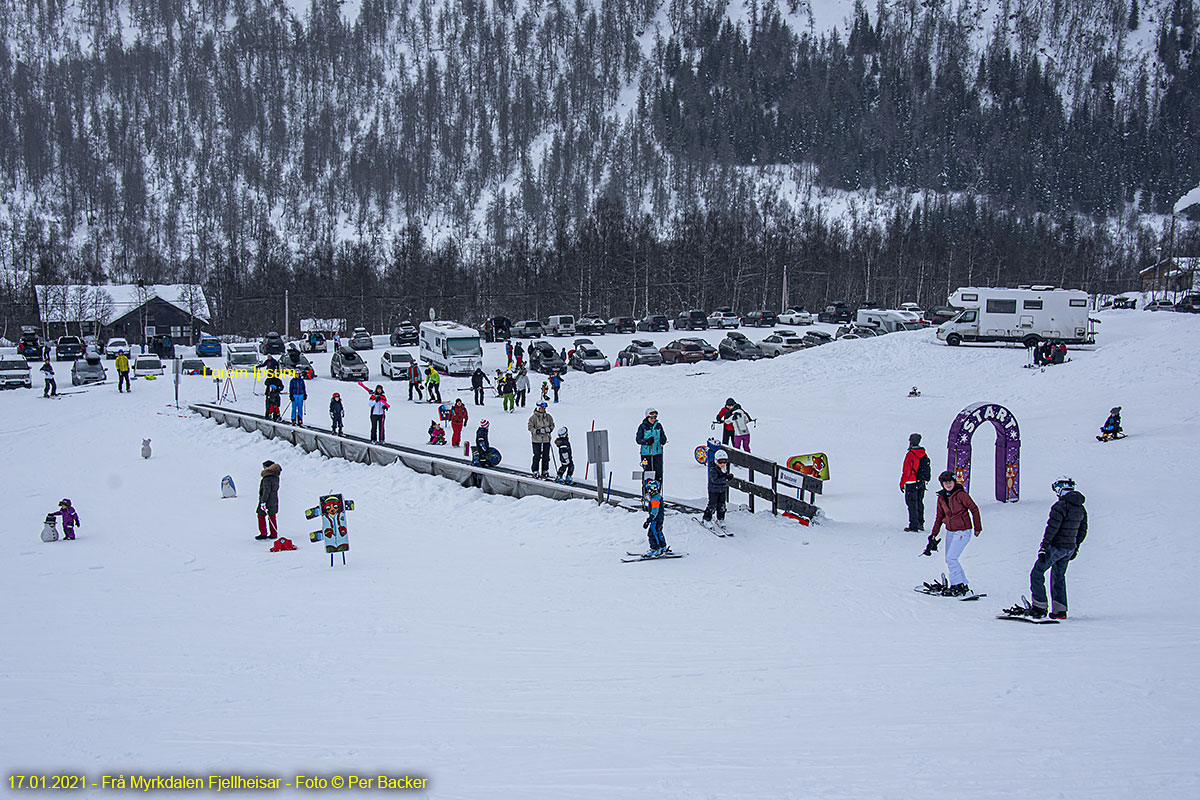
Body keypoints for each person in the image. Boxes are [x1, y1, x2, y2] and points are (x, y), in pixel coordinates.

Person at [1008, 476, 1088, 620]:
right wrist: (1075, 548)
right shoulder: (1081, 508)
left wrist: (1043, 548)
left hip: (1056, 547)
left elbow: (1051, 529)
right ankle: (1060, 611)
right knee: (1058, 577)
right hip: (1068, 549)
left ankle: (1039, 607)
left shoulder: (1060, 506)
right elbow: (1083, 531)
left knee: (1037, 573)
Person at [927, 470, 982, 596]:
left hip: (963, 530)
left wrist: (977, 527)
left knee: (951, 558)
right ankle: (962, 583)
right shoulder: (941, 498)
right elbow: (939, 517)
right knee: (950, 559)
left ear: (954, 481)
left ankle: (957, 585)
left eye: (950, 481)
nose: (948, 484)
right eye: (945, 482)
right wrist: (933, 534)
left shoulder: (961, 494)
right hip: (950, 532)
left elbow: (974, 509)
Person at [900, 433, 930, 532]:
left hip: (911, 482)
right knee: (920, 502)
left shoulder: (911, 454)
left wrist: (902, 483)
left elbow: (907, 471)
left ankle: (913, 525)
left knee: (912, 504)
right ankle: (921, 523)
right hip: (921, 482)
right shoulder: (923, 453)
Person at [635, 408, 668, 482]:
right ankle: (647, 490)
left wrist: (663, 440)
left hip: (657, 453)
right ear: (647, 418)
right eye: (651, 418)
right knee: (648, 472)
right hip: (646, 454)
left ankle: (658, 490)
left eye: (655, 418)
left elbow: (663, 435)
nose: (653, 420)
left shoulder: (658, 426)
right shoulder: (643, 427)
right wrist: (646, 441)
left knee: (658, 473)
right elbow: (638, 440)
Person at [702, 448, 730, 530]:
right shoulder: (713, 469)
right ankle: (707, 518)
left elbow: (724, 476)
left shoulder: (724, 468)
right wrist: (725, 478)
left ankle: (720, 518)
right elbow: (715, 480)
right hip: (713, 490)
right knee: (712, 504)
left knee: (722, 504)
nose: (723, 464)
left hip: (722, 489)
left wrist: (727, 476)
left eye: (724, 462)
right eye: (720, 462)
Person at [528, 402, 555, 478]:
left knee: (546, 456)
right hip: (536, 440)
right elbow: (530, 427)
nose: (543, 410)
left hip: (546, 439)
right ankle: (535, 470)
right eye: (541, 408)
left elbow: (552, 425)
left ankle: (545, 470)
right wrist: (537, 431)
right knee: (537, 455)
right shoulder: (533, 418)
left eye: (544, 408)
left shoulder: (548, 417)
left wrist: (549, 429)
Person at [255, 460, 282, 540]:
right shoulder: (275, 476)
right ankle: (274, 533)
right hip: (274, 499)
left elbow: (266, 491)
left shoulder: (267, 478)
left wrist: (263, 502)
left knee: (261, 515)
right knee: (272, 516)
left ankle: (263, 533)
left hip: (266, 500)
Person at [642, 479, 668, 556]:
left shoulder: (655, 499)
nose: (647, 491)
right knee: (658, 532)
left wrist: (649, 520)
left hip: (655, 519)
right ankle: (663, 546)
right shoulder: (658, 497)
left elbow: (655, 511)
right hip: (659, 519)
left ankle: (655, 549)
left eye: (648, 490)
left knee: (652, 534)